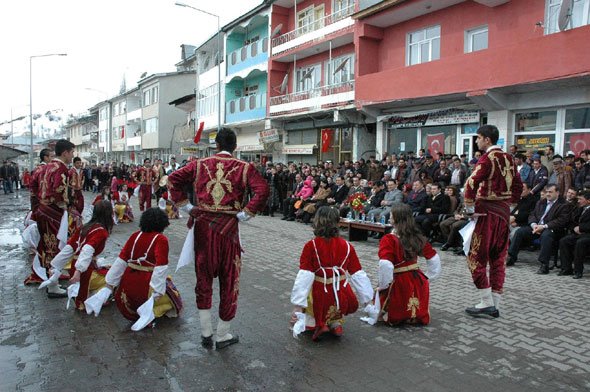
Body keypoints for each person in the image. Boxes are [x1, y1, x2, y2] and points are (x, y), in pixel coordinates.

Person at [167, 128, 269, 349]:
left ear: (216, 146)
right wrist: (247, 213)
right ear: (234, 146)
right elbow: (262, 189)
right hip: (229, 228)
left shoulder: (199, 164)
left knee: (203, 277)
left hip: (203, 227)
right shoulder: (245, 167)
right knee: (229, 278)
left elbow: (173, 179)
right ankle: (222, 334)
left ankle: (205, 333)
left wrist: (187, 207)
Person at [463, 125, 522, 318]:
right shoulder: (509, 158)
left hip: (486, 212)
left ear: (487, 140)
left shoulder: (487, 158)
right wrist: (509, 205)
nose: (477, 141)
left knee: (477, 256)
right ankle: (495, 302)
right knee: (498, 258)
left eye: (479, 138)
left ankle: (486, 301)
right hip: (503, 213)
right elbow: (518, 185)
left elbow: (471, 182)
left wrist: (470, 208)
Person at [290, 206, 373, 340]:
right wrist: (368, 301)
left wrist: (298, 305)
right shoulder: (347, 246)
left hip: (319, 292)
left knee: (311, 296)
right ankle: (335, 324)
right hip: (341, 293)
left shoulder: (311, 245)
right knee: (335, 301)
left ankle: (318, 323)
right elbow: (357, 273)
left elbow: (305, 276)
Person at [101, 208, 183, 327]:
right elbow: (161, 267)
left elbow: (121, 260)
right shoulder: (161, 239)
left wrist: (110, 284)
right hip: (145, 283)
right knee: (173, 296)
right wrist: (157, 292)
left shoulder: (135, 235)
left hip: (127, 284)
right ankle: (151, 310)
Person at [374, 204, 441, 325]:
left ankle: (387, 314)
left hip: (398, 280)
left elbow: (385, 264)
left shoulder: (389, 239)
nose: (389, 219)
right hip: (417, 279)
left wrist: (384, 285)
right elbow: (434, 258)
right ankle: (413, 315)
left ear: (396, 219)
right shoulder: (417, 237)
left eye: (391, 216)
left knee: (380, 296)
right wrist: (427, 277)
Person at [39, 201, 113, 307]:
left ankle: (84, 296)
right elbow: (87, 250)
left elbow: (69, 247)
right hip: (84, 269)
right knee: (114, 278)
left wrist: (55, 265)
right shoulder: (101, 232)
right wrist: (78, 272)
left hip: (76, 265)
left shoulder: (85, 227)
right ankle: (93, 298)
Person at [30, 139, 76, 295]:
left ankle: (51, 279)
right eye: (72, 153)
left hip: (42, 210)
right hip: (53, 211)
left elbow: (34, 185)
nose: (72, 156)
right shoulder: (61, 168)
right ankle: (52, 285)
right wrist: (67, 203)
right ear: (65, 153)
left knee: (46, 245)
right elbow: (58, 190)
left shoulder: (45, 167)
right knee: (54, 247)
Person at [508, 184, 570, 272]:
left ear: (557, 193)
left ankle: (544, 264)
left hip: (553, 229)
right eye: (546, 192)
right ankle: (511, 257)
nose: (548, 194)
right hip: (536, 227)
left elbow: (561, 220)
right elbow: (532, 214)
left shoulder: (564, 204)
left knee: (546, 236)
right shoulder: (541, 202)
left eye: (550, 192)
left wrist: (544, 226)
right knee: (520, 232)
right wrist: (533, 225)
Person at [558, 190, 590, 279]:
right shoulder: (579, 208)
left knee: (580, 243)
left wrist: (581, 228)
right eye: (578, 199)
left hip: (587, 234)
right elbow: (572, 221)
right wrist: (575, 228)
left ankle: (578, 270)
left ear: (588, 200)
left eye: (581, 199)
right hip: (578, 233)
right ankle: (566, 268)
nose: (578, 201)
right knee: (564, 241)